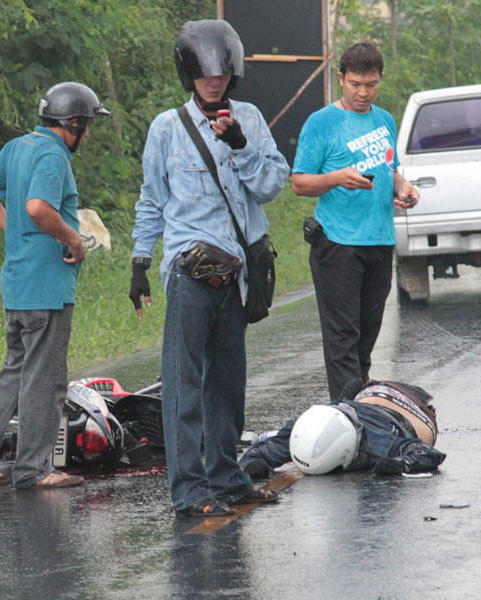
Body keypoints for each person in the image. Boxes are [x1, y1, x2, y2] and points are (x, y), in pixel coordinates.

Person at [128, 19, 290, 517]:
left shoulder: (252, 120)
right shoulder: (166, 128)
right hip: (189, 272)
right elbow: (152, 200)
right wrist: (139, 261)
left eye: (219, 75)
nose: (212, 83)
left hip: (238, 274)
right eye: (203, 75)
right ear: (189, 75)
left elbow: (273, 184)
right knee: (184, 385)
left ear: (233, 72)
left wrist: (241, 146)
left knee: (228, 384)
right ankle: (190, 490)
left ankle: (227, 476)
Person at [0, 82, 111, 489]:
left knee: (15, 372)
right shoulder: (53, 155)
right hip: (46, 285)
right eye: (86, 125)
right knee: (46, 380)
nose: (88, 134)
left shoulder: (18, 147)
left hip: (18, 283)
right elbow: (38, 207)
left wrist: (14, 229)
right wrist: (72, 239)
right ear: (71, 123)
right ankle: (34, 470)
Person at [291, 42, 420, 401]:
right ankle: (348, 416)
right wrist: (337, 178)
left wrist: (403, 187)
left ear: (380, 81)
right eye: (355, 84)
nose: (364, 93)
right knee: (343, 341)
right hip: (338, 244)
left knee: (366, 338)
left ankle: (360, 413)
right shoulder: (321, 123)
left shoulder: (384, 120)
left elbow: (390, 170)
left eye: (371, 84)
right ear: (340, 80)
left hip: (379, 240)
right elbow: (299, 182)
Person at [239, 379, 446, 478]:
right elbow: (261, 451)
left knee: (423, 436)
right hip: (357, 401)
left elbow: (431, 454)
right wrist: (253, 465)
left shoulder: (379, 443)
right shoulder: (302, 429)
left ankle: (359, 392)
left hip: (412, 406)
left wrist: (400, 464)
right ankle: (355, 394)